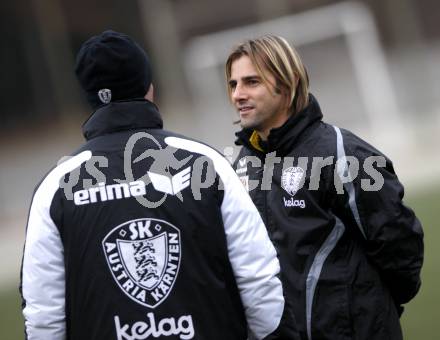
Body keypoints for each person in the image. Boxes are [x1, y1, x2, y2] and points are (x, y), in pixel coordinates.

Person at [20, 30, 301, 340]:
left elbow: (44, 315)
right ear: (149, 88)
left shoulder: (56, 186)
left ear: (89, 98)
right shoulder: (205, 163)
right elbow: (259, 280)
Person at [225, 35, 424, 340]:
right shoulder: (242, 163)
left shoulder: (342, 153)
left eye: (252, 82)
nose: (238, 94)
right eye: (233, 84)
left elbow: (399, 243)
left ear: (288, 83)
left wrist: (368, 309)